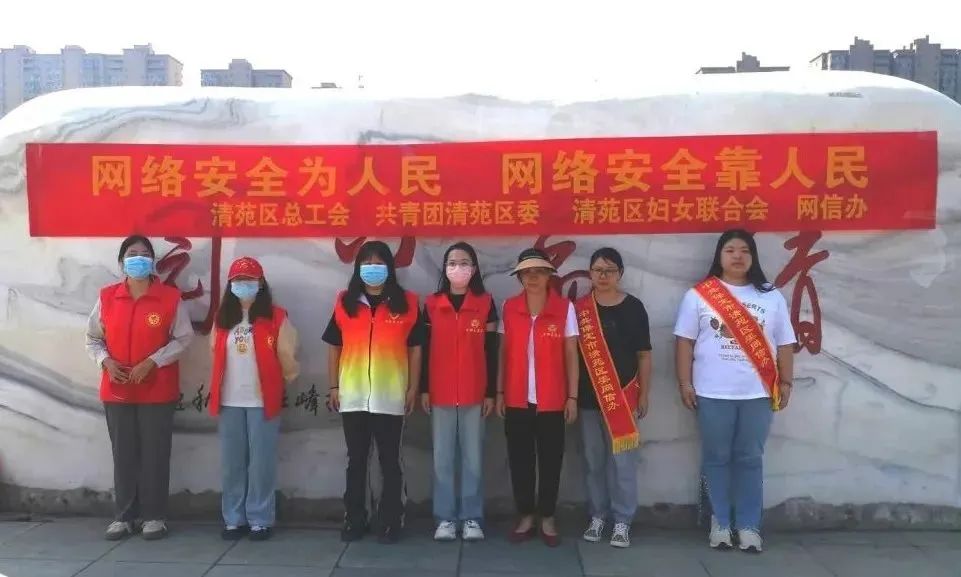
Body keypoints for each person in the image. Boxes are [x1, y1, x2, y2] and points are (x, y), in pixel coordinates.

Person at [673, 229, 796, 553]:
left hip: (757, 393)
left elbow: (785, 343)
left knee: (750, 458)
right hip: (712, 392)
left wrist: (786, 381)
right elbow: (684, 342)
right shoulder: (699, 295)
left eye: (744, 250)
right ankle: (720, 523)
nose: (738, 256)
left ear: (753, 257)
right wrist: (685, 382)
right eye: (730, 250)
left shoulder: (770, 296)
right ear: (720, 256)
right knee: (716, 458)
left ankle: (749, 526)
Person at [85, 235, 194, 541]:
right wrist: (106, 361)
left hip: (157, 389)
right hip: (117, 389)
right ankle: (124, 517)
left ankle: (154, 516)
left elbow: (184, 338)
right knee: (124, 454)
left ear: (152, 261)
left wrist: (153, 361)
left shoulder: (169, 298)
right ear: (122, 262)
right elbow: (93, 338)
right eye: (132, 254)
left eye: (144, 254)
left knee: (155, 454)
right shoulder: (108, 297)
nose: (138, 259)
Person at [323, 240, 425, 544]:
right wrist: (334, 386)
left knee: (390, 460)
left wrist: (413, 387)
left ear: (389, 268)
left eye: (379, 263)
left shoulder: (407, 302)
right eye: (366, 263)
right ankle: (355, 518)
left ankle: (391, 519)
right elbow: (334, 347)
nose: (373, 268)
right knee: (356, 460)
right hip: (352, 394)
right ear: (358, 268)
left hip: (391, 395)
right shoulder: (345, 302)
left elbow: (416, 349)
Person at [208, 257, 300, 542]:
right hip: (229, 400)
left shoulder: (277, 317)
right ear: (230, 285)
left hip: (262, 401)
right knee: (232, 463)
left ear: (261, 283)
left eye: (249, 280)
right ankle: (234, 519)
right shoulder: (223, 318)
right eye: (237, 280)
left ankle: (260, 518)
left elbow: (288, 357)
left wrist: (278, 382)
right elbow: (213, 351)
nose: (243, 285)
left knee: (261, 463)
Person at [496, 247, 579, 547]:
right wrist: (499, 391)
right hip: (516, 398)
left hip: (553, 399)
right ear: (519, 277)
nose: (532, 277)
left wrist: (572, 397)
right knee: (520, 460)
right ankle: (526, 515)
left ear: (549, 276)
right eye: (527, 272)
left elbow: (571, 354)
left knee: (551, 460)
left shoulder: (564, 309)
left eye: (539, 272)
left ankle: (547, 516)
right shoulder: (509, 307)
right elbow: (503, 353)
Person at [420, 242, 498, 542]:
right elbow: (424, 350)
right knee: (442, 459)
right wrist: (424, 389)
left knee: (472, 459)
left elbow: (492, 350)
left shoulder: (485, 303)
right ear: (445, 269)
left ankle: (471, 517)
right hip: (439, 393)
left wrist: (491, 392)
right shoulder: (432, 304)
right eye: (452, 263)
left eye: (464, 263)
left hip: (475, 394)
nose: (458, 268)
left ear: (474, 269)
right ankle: (445, 518)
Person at [575, 247, 652, 549]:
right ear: (590, 273)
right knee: (593, 461)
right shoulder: (580, 310)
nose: (603, 275)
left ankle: (622, 521)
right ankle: (598, 515)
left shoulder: (634, 307)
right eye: (598, 270)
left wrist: (644, 394)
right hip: (587, 400)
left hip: (623, 399)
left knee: (623, 463)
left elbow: (644, 355)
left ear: (620, 274)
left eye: (609, 270)